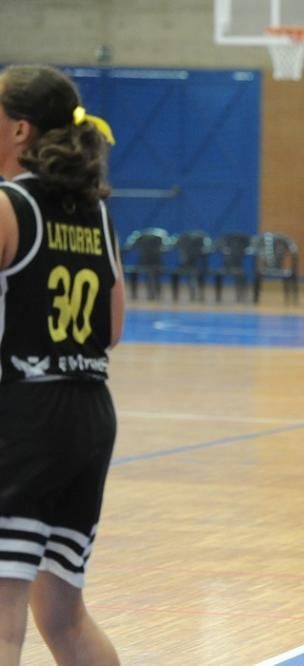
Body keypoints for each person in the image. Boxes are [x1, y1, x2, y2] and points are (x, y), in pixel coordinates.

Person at [0, 64, 123, 665]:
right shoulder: (96, 212)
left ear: (20, 129)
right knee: (62, 615)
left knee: (3, 618)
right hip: (88, 414)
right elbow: (114, 327)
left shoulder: (7, 205)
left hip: (24, 412)